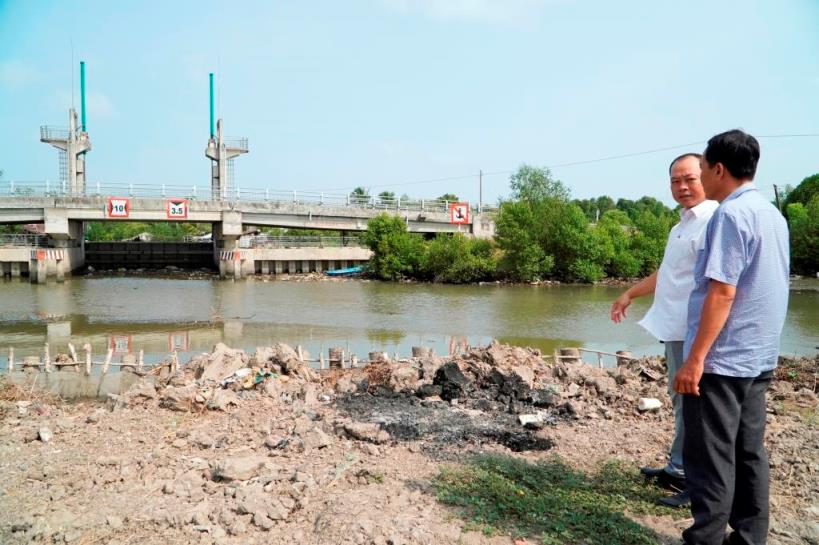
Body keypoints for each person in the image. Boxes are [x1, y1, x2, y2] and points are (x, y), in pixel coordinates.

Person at [674, 130, 789, 545]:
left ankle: (704, 539)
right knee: (748, 452)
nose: (701, 177)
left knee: (710, 457)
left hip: (722, 361)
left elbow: (723, 291)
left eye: (702, 169)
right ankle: (748, 537)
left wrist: (695, 359)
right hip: (758, 358)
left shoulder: (730, 215)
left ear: (718, 169)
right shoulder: (771, 213)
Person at [611, 152, 718, 507]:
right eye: (676, 181)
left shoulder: (715, 221)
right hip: (674, 327)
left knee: (696, 404)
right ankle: (678, 467)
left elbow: (723, 287)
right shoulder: (681, 225)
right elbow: (667, 274)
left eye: (690, 178)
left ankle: (696, 481)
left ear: (708, 176)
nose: (683, 186)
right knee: (681, 400)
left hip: (696, 331)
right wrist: (630, 294)